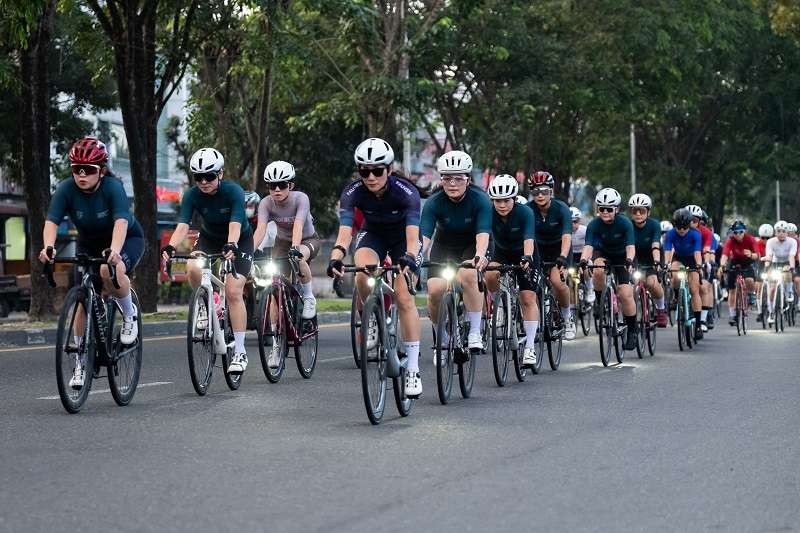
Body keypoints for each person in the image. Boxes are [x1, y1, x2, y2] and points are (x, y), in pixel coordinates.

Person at [40, 137, 145, 388]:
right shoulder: (66, 189)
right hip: (88, 242)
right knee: (82, 303)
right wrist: (48, 248)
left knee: (108, 271)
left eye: (89, 170)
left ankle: (129, 316)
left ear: (102, 170)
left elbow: (121, 223)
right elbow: (51, 222)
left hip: (126, 239)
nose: (82, 175)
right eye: (77, 169)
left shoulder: (113, 188)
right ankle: (80, 364)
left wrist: (116, 251)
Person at [326, 138, 423, 397]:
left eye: (377, 170)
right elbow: (345, 232)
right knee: (362, 268)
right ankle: (371, 317)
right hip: (374, 234)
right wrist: (336, 256)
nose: (370, 177)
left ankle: (412, 369)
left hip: (404, 237)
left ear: (389, 170)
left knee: (403, 297)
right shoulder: (352, 192)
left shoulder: (406, 192)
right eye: (364, 171)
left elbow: (413, 237)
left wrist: (411, 256)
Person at [161, 147, 253, 374]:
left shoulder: (233, 191)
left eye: (209, 176)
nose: (203, 181)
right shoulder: (192, 195)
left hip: (239, 239)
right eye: (198, 177)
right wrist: (171, 246)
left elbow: (236, 223)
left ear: (220, 174)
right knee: (193, 266)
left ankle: (240, 351)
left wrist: (231, 244)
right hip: (209, 238)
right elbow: (183, 225)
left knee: (233, 292)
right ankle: (205, 304)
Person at [421, 150, 491, 360]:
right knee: (434, 290)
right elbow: (424, 236)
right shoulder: (434, 202)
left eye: (458, 178)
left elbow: (483, 234)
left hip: (472, 245)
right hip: (444, 246)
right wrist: (414, 257)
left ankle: (475, 331)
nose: (453, 183)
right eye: (447, 178)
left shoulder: (481, 200)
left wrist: (479, 256)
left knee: (468, 275)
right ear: (441, 180)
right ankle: (441, 339)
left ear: (468, 180)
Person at [484, 175, 540, 366]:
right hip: (500, 252)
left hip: (525, 254)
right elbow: (481, 235)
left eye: (506, 200)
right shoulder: (487, 212)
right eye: (497, 201)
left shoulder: (525, 213)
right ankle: (499, 305)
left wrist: (527, 257)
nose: (501, 205)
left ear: (514, 199)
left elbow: (529, 237)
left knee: (527, 298)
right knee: (490, 273)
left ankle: (531, 347)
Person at [579, 188, 637, 350]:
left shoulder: (625, 223)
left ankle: (632, 329)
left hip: (623, 256)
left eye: (609, 209)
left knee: (625, 293)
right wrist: (584, 259)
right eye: (601, 208)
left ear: (616, 209)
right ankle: (600, 301)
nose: (605, 212)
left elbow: (631, 247)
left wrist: (629, 260)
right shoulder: (594, 224)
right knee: (597, 270)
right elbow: (589, 246)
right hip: (603, 254)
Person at [528, 171, 575, 340]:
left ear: (551, 191)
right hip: (538, 250)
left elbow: (567, 236)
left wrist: (562, 256)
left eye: (544, 191)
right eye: (535, 192)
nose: (540, 196)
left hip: (559, 249)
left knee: (557, 281)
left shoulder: (562, 209)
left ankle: (567, 317)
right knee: (531, 285)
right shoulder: (528, 209)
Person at [663, 208, 704, 339]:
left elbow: (698, 252)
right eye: (678, 227)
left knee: (694, 290)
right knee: (674, 273)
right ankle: (676, 296)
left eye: (684, 227)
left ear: (689, 224)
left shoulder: (695, 234)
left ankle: (698, 324)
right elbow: (668, 251)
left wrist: (698, 266)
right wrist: (667, 265)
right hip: (679, 258)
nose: (681, 230)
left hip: (692, 259)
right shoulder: (670, 234)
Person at [628, 194, 668, 327]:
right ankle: (634, 314)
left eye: (642, 211)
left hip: (653, 255)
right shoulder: (628, 226)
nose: (638, 214)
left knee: (652, 282)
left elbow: (656, 244)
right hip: (635, 256)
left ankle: (661, 309)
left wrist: (657, 262)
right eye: (635, 211)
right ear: (631, 212)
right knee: (633, 284)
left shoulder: (654, 225)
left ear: (648, 212)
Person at [719, 220, 760, 326]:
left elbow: (757, 255)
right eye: (735, 232)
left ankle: (751, 294)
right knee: (732, 290)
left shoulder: (750, 239)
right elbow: (724, 255)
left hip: (747, 262)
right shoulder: (730, 241)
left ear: (744, 231)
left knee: (749, 280)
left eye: (740, 232)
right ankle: (732, 315)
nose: (738, 235)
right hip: (734, 263)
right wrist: (722, 265)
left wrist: (751, 254)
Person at [686, 204, 714, 333]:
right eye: (689, 219)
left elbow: (707, 249)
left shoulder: (706, 232)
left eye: (695, 221)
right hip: (684, 258)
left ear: (699, 221)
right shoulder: (680, 229)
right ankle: (679, 298)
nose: (691, 223)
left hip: (700, 258)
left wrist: (706, 263)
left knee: (703, 287)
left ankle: (702, 320)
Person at [763, 220, 798, 323]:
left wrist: (791, 267)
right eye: (779, 231)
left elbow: (792, 256)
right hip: (775, 262)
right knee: (772, 287)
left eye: (783, 231)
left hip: (787, 262)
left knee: (787, 275)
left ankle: (789, 292)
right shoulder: (770, 242)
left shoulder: (792, 242)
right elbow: (769, 256)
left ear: (787, 233)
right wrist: (766, 267)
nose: (781, 233)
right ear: (775, 232)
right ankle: (771, 312)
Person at [570, 206, 594, 303]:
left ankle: (590, 289)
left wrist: (587, 258)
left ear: (579, 221)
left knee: (586, 269)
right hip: (571, 256)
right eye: (570, 222)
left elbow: (590, 245)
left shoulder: (584, 230)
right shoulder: (564, 232)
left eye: (575, 222)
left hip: (583, 254)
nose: (572, 224)